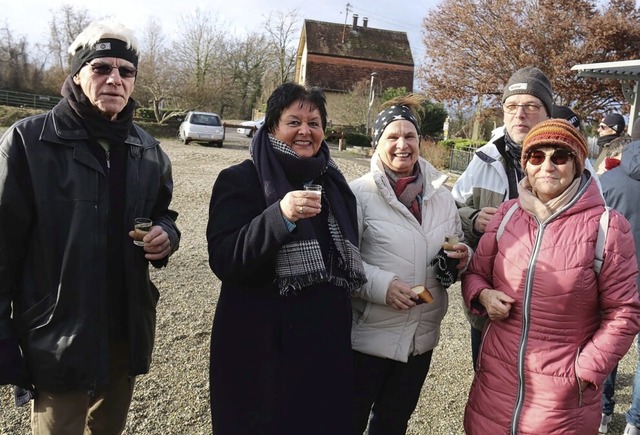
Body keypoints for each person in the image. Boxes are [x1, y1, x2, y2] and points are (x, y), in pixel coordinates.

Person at [0, 19, 181, 434]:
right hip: (58, 336)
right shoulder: (29, 143)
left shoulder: (148, 149)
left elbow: (164, 213)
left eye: (126, 71)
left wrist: (165, 235)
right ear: (79, 74)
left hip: (123, 331)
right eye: (102, 68)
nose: (115, 79)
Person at [206, 82, 366, 435]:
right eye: (293, 121)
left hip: (323, 349)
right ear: (272, 127)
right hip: (260, 350)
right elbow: (224, 259)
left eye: (314, 122)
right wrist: (279, 217)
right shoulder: (240, 180)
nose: (305, 131)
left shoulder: (337, 187)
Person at [462, 119, 640, 434]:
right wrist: (483, 295)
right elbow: (476, 274)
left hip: (562, 401)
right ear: (526, 164)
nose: (547, 165)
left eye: (559, 156)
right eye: (536, 156)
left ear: (577, 164)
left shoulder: (608, 228)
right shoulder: (506, 215)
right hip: (496, 384)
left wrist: (585, 371)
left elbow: (625, 311)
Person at [349, 95, 470, 434]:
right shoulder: (356, 194)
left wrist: (460, 259)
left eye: (410, 136)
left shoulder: (441, 196)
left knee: (392, 424)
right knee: (348, 421)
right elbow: (341, 262)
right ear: (377, 143)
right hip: (368, 337)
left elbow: (454, 242)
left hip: (421, 338)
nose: (403, 144)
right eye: (392, 136)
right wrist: (380, 286)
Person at [452, 66, 554, 369]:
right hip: (491, 304)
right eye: (511, 106)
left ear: (547, 113)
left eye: (531, 106)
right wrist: (471, 218)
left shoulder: (568, 164)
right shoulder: (484, 159)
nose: (519, 114)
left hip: (549, 312)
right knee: (487, 387)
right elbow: (449, 210)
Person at [599, 140, 640, 434]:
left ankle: (602, 410)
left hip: (615, 276)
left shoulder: (605, 182)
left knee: (608, 342)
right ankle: (634, 422)